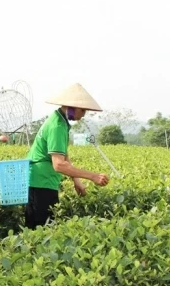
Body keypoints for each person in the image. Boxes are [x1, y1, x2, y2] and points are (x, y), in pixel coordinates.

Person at [25, 83, 110, 229]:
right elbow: (59, 164)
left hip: (41, 182)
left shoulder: (60, 122)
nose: (83, 114)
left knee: (38, 231)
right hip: (41, 184)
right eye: (82, 110)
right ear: (70, 107)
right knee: (43, 232)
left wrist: (76, 180)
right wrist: (93, 176)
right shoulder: (57, 126)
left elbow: (63, 155)